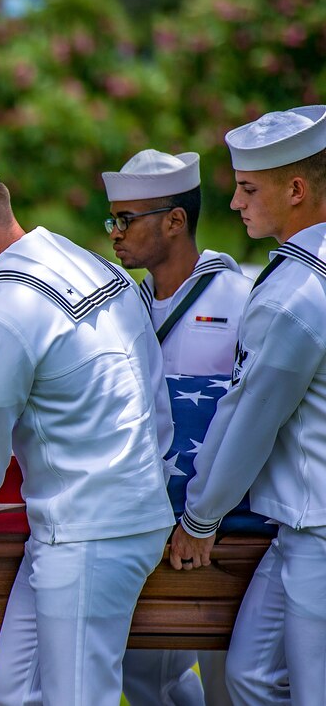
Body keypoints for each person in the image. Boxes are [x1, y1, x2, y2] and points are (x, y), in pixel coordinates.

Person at [0, 155, 176, 706]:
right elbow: (153, 389)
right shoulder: (91, 265)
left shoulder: (3, 309)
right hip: (95, 516)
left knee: (77, 694)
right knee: (14, 691)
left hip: (89, 528)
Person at [170, 104, 326, 705]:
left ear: (295, 189)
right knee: (251, 678)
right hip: (300, 523)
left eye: (248, 188)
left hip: (317, 524)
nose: (235, 204)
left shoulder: (295, 293)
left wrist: (201, 515)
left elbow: (250, 417)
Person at [104, 149, 252, 706]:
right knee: (145, 678)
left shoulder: (240, 299)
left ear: (174, 221)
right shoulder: (122, 306)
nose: (114, 233)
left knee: (228, 681)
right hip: (143, 523)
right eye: (111, 219)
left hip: (227, 528)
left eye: (127, 219)